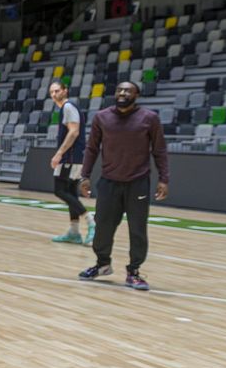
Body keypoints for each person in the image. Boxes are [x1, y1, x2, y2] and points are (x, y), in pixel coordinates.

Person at [79, 80, 169, 291]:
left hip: (137, 183)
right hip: (109, 182)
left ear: (136, 95)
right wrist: (85, 175)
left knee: (137, 229)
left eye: (127, 90)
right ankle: (102, 265)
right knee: (103, 227)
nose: (122, 93)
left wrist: (164, 179)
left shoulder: (149, 118)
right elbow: (92, 149)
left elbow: (160, 150)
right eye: (119, 89)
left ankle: (134, 272)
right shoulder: (102, 117)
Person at [46, 80, 92, 244]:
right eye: (51, 92)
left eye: (57, 91)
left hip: (70, 158)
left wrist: (59, 154)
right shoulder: (67, 108)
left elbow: (73, 132)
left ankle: (90, 220)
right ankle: (74, 232)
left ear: (65, 91)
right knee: (71, 193)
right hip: (74, 157)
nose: (54, 95)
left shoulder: (68, 107)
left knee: (59, 190)